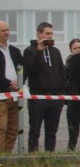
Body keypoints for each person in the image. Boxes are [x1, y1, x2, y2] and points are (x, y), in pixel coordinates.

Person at [23, 22, 66, 152]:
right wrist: (39, 52)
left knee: (51, 132)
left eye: (51, 34)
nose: (50, 36)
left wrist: (61, 95)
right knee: (35, 131)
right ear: (39, 34)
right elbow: (30, 70)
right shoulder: (29, 51)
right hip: (38, 97)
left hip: (55, 97)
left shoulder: (55, 51)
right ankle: (33, 157)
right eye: (47, 33)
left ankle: (50, 156)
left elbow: (62, 73)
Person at [0, 20, 23, 153]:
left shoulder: (14, 50)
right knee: (1, 128)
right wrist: (11, 84)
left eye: (8, 30)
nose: (7, 33)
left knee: (13, 129)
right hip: (1, 96)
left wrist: (19, 81)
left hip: (15, 97)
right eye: (3, 30)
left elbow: (24, 68)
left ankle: (7, 157)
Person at [65, 38, 80, 150]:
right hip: (73, 101)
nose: (77, 50)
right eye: (75, 48)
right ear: (71, 50)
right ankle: (70, 152)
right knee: (73, 132)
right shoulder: (69, 63)